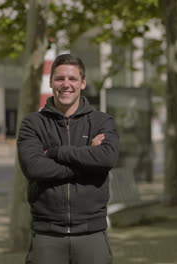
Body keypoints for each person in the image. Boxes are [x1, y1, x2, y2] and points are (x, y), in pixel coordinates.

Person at [17, 54, 119, 264]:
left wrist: (56, 152)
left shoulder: (102, 121)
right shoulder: (33, 124)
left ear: (82, 83)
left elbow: (107, 158)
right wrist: (87, 161)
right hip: (47, 236)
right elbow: (34, 168)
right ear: (51, 82)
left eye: (72, 79)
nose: (66, 85)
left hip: (92, 234)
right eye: (59, 78)